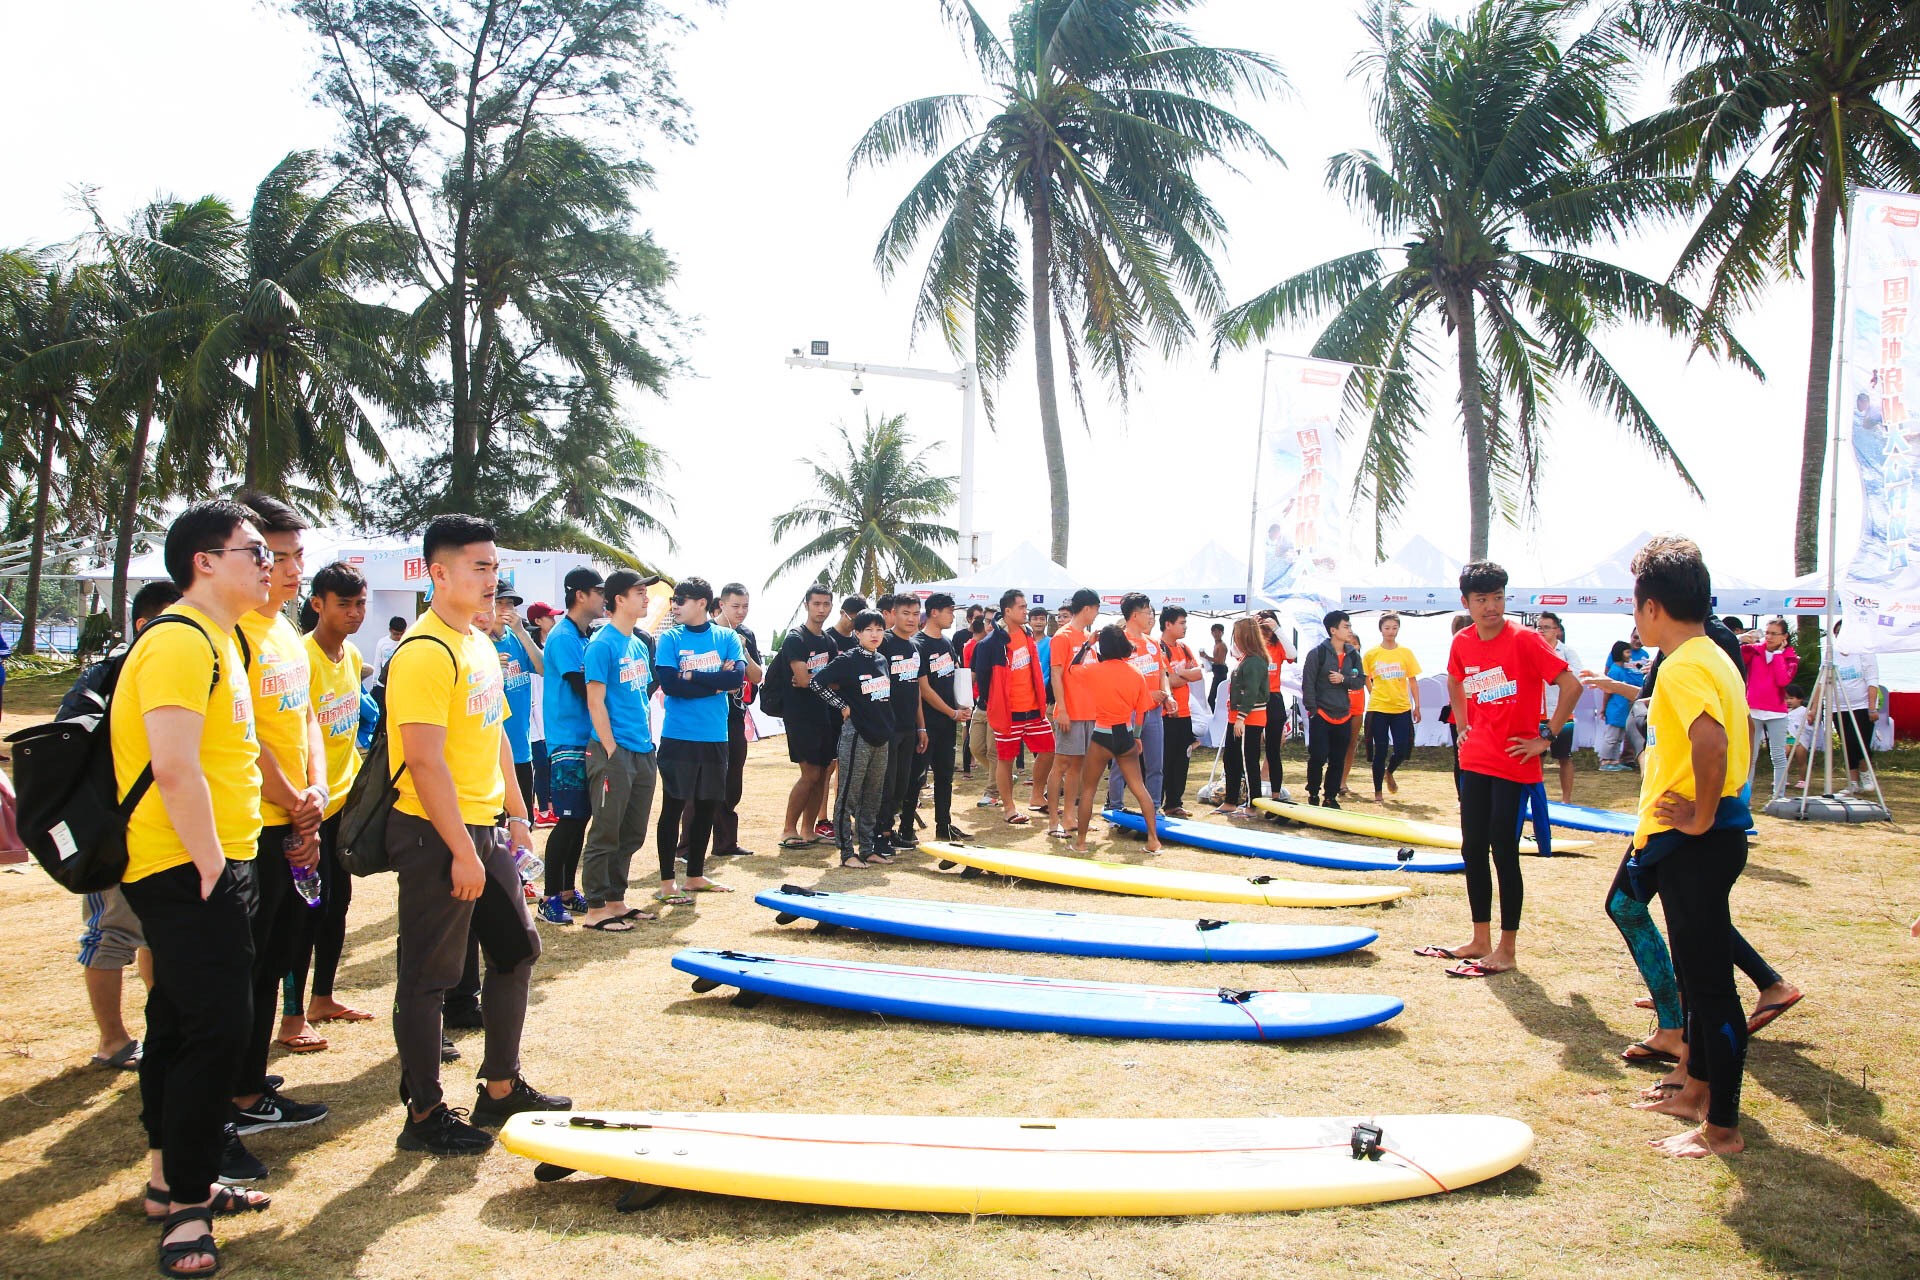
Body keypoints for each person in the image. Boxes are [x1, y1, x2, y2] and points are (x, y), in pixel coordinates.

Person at [116, 501, 275, 1273]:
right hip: (187, 866)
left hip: (207, 861)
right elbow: (174, 765)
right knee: (218, 1030)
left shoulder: (218, 638)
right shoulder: (179, 640)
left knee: (179, 1025)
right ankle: (187, 1205)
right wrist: (214, 864)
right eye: (254, 552)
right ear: (204, 561)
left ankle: (166, 1183)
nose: (268, 564)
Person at [387, 514, 566, 1156]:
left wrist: (518, 817)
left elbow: (493, 739)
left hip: (487, 830)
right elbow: (425, 761)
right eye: (480, 567)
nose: (494, 580)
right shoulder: (424, 652)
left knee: (517, 951)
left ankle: (499, 1087)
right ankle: (426, 1113)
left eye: (496, 567)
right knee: (431, 978)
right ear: (439, 573)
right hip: (437, 834)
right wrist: (463, 849)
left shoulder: (481, 645)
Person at [1620, 537, 1756, 1159]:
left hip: (1697, 843)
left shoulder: (1681, 665)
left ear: (1652, 608)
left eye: (1634, 602)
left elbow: (1712, 744)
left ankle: (1721, 1130)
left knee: (1710, 989)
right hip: (1700, 838)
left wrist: (1700, 818)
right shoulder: (1711, 653)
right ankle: (1696, 1089)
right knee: (1703, 981)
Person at [230, 493, 332, 1148]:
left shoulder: (284, 636)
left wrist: (316, 789)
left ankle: (251, 1080)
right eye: (279, 555)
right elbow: (243, 734)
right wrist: (293, 795)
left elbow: (305, 720)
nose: (293, 569)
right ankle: (236, 1094)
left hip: (293, 822)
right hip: (253, 824)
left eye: (299, 556)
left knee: (274, 960)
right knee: (244, 965)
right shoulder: (235, 630)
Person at [1419, 562, 1579, 977]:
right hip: (1475, 758)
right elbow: (1455, 681)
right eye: (1482, 600)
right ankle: (1479, 938)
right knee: (1472, 848)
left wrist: (1547, 736)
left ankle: (1507, 949)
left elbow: (1571, 686)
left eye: (1498, 598)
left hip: (1514, 760)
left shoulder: (1525, 640)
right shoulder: (1462, 641)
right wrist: (1463, 725)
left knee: (1504, 852)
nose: (1491, 607)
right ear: (1466, 603)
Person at [65, 580, 179, 1074]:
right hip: (117, 829)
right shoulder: (110, 679)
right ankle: (112, 1039)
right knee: (112, 933)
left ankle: (163, 1027)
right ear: (143, 625)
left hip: (165, 829)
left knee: (158, 936)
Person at [277, 561, 373, 1057]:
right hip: (306, 810)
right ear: (317, 604)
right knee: (303, 913)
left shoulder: (353, 656)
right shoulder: (301, 656)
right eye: (344, 604)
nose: (355, 613)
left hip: (344, 807)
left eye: (361, 604)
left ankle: (323, 999)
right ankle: (291, 1018)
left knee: (336, 908)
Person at [650, 577, 744, 904]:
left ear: (702, 603)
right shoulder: (670, 639)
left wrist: (693, 676)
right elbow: (671, 686)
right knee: (673, 807)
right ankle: (665, 882)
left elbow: (735, 678)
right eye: (674, 600)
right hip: (679, 736)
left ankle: (694, 876)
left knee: (707, 807)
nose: (674, 605)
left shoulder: (727, 637)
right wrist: (714, 683)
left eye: (681, 600)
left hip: (715, 735)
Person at [579, 569, 660, 931]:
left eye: (645, 591)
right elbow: (595, 701)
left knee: (632, 832)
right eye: (638, 591)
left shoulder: (639, 644)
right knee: (605, 831)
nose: (645, 597)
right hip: (613, 752)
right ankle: (595, 907)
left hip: (643, 750)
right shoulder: (601, 643)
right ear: (618, 600)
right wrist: (611, 748)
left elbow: (639, 697)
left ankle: (616, 899)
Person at [536, 567, 604, 924]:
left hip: (584, 739)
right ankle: (549, 897)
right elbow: (581, 685)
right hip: (566, 741)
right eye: (599, 591)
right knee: (566, 820)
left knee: (579, 819)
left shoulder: (584, 635)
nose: (604, 598)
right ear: (580, 594)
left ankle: (566, 890)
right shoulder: (563, 637)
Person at [810, 609, 893, 867]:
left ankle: (867, 848)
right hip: (857, 735)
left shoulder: (882, 660)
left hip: (882, 736)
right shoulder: (848, 659)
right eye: (868, 630)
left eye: (879, 629)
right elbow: (817, 683)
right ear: (857, 633)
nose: (875, 634)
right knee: (849, 795)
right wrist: (842, 706)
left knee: (873, 795)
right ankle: (847, 852)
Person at [1073, 625, 1161, 853]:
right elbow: (1142, 711)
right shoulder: (1135, 672)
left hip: (1101, 733)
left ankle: (1081, 843)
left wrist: (1088, 644)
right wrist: (1138, 737)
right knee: (1140, 788)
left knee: (1089, 790)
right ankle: (1153, 840)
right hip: (1126, 733)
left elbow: (1072, 669)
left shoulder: (1094, 670)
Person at [973, 589, 1056, 826]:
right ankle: (1009, 808)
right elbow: (985, 680)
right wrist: (995, 706)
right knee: (1005, 760)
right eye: (1021, 607)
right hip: (1008, 713)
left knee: (1049, 750)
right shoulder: (991, 643)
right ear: (1007, 611)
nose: (1026, 611)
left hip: (1034, 710)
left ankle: (1037, 795)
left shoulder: (1028, 634)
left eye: (1026, 607)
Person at [693, 582, 762, 859]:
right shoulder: (707, 634)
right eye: (735, 606)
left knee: (732, 781)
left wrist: (742, 652)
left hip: (736, 716)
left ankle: (725, 842)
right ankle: (688, 846)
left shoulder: (745, 634)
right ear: (720, 605)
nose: (741, 612)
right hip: (707, 718)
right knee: (701, 784)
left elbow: (757, 676)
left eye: (745, 606)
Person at [775, 585, 839, 848]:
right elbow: (802, 680)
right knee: (810, 774)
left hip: (824, 713)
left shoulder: (829, 642)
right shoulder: (795, 639)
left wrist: (813, 681)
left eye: (826, 604)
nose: (821, 609)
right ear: (807, 605)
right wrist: (814, 681)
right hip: (799, 715)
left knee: (823, 774)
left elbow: (837, 682)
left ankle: (809, 830)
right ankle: (788, 829)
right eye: (817, 604)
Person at [1105, 593, 1171, 818]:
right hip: (1128, 712)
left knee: (1155, 764)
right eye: (1147, 612)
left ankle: (1153, 808)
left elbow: (1162, 672)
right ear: (1134, 615)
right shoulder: (1119, 643)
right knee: (1122, 762)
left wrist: (1168, 696)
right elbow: (1115, 680)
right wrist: (1146, 693)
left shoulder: (1153, 642)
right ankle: (1114, 807)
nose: (1151, 616)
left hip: (1153, 712)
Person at [914, 593, 971, 842]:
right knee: (916, 777)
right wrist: (952, 712)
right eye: (949, 611)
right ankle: (906, 827)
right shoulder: (919, 643)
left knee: (945, 777)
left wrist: (961, 706)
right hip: (927, 723)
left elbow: (955, 677)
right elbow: (924, 690)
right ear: (934, 612)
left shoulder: (947, 643)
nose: (952, 615)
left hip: (948, 723)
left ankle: (944, 826)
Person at [875, 594, 929, 850]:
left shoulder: (915, 647)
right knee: (885, 785)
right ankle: (878, 835)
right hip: (886, 728)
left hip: (909, 727)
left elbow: (916, 689)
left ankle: (889, 830)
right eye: (906, 613)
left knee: (902, 784)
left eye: (916, 613)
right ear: (893, 614)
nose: (911, 618)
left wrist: (921, 726)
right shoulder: (883, 642)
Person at [1048, 589, 1102, 839]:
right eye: (1096, 609)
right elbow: (1057, 674)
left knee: (1078, 766)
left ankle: (1070, 816)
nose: (1096, 614)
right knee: (1061, 764)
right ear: (1088, 609)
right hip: (1070, 710)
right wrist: (1063, 710)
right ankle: (1052, 822)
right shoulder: (1063, 636)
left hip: (1089, 710)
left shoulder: (1087, 637)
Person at [488, 591, 545, 831]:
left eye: (510, 603)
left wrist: (522, 632)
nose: (505, 609)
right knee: (498, 827)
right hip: (492, 751)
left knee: (523, 824)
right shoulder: (479, 644)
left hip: (521, 748)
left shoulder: (516, 638)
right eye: (499, 602)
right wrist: (492, 670)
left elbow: (542, 668)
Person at [1299, 612, 1365, 808]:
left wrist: (1343, 679)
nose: (1350, 630)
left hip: (1344, 713)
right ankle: (1313, 793)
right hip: (1322, 714)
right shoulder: (1317, 653)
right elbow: (1307, 684)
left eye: (1349, 626)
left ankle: (1330, 797)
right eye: (1346, 626)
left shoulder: (1353, 654)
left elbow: (1360, 681)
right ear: (1333, 630)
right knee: (1318, 756)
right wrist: (1314, 711)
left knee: (1337, 759)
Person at [1362, 612, 1422, 802]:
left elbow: (1413, 680)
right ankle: (1378, 792)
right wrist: (1373, 693)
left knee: (1402, 748)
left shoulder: (1406, 653)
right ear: (1381, 629)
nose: (1390, 631)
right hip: (1379, 708)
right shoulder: (1372, 653)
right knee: (1380, 749)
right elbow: (1366, 677)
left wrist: (1417, 705)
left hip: (1401, 707)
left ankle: (1390, 771)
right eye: (1387, 628)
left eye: (1394, 628)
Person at [1740, 617, 1798, 800]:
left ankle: (1778, 797)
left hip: (1776, 712)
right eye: (1768, 633)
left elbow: (1783, 681)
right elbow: (1735, 656)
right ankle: (1745, 799)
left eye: (1774, 633)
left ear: (1784, 636)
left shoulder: (1790, 657)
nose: (1770, 637)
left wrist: (1779, 656)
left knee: (1778, 756)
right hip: (1753, 709)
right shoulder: (1755, 651)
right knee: (1750, 757)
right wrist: (1742, 638)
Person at [1220, 617, 1269, 816]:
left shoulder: (1255, 662)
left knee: (1248, 760)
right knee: (1231, 759)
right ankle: (1231, 800)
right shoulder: (1245, 659)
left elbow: (1251, 692)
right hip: (1237, 717)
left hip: (1249, 717)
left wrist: (1241, 717)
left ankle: (1252, 803)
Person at [1158, 607, 1204, 817]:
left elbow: (1198, 674)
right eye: (1182, 623)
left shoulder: (1184, 648)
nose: (1185, 627)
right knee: (1164, 760)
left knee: (1181, 760)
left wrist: (1180, 672)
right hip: (1166, 714)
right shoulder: (1158, 648)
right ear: (1168, 624)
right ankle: (1156, 802)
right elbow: (1169, 680)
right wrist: (1182, 676)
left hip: (1185, 714)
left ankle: (1174, 803)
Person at [1827, 619, 1881, 792]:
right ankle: (1852, 782)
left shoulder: (1865, 653)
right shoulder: (1831, 653)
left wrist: (1872, 707)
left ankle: (1865, 773)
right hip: (1838, 706)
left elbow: (1872, 680)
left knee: (1858, 741)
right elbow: (1823, 680)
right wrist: (1816, 707)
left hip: (1861, 705)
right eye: (1838, 633)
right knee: (1847, 743)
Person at [1535, 612, 1582, 802]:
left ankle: (1566, 799)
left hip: (1562, 713)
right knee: (1537, 757)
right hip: (1537, 712)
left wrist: (1555, 676)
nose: (1542, 631)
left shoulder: (1567, 652)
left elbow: (1576, 678)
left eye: (1546, 627)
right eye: (1539, 627)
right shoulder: (1534, 649)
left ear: (1557, 631)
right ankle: (1537, 797)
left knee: (1564, 757)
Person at [524, 602, 561, 823]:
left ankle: (549, 807)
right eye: (549, 617)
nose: (553, 620)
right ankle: (544, 810)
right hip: (536, 718)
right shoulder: (532, 649)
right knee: (540, 764)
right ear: (538, 621)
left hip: (550, 716)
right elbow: (534, 691)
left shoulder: (552, 644)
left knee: (548, 764)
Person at [1257, 612, 1293, 801]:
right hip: (1254, 700)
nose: (1267, 633)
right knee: (1251, 749)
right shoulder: (1252, 646)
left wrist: (1277, 630)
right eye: (1264, 629)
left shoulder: (1278, 646)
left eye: (1269, 629)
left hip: (1274, 698)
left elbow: (1293, 654)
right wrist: (1252, 628)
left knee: (1273, 749)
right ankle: (1252, 794)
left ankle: (1276, 794)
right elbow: (1236, 652)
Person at [1596, 640, 1644, 771]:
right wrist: (1604, 708)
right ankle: (1605, 761)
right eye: (1627, 652)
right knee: (1612, 736)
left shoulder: (1623, 670)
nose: (1630, 655)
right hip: (1615, 709)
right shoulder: (1615, 671)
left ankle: (1614, 760)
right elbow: (1607, 691)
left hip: (1623, 709)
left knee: (1618, 737)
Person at [1206, 621, 1229, 711]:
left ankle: (1218, 715)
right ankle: (1217, 714)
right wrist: (1207, 663)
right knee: (1214, 698)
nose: (1216, 634)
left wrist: (1206, 656)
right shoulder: (1217, 644)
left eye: (1218, 632)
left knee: (1214, 698)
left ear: (1222, 633)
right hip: (1217, 670)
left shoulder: (1222, 645)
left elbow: (1219, 660)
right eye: (1214, 632)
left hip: (1220, 671)